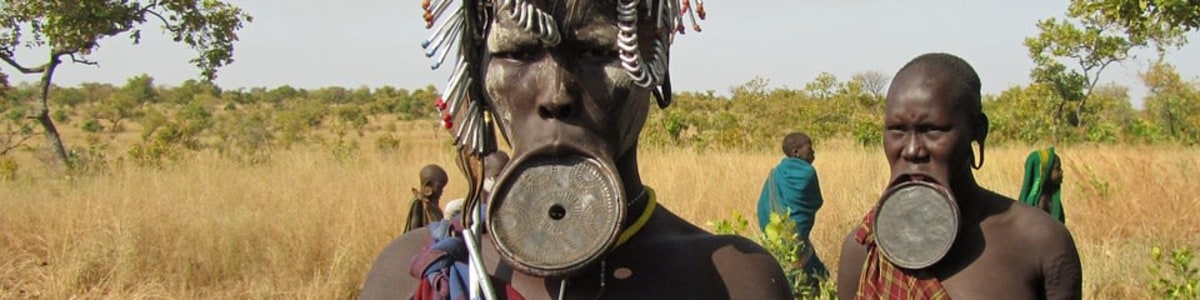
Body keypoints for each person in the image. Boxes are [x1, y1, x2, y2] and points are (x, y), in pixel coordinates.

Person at [360, 1, 792, 299]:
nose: (556, 93)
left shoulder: (732, 281)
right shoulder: (411, 273)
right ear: (475, 73)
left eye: (596, 51)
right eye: (519, 53)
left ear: (656, 61)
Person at [836, 53, 1082, 299]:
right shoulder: (865, 250)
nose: (912, 150)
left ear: (977, 129)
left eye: (932, 130)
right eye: (897, 130)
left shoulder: (1039, 241)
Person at [756, 132, 828, 285]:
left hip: (774, 233)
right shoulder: (808, 172)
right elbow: (816, 202)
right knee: (816, 275)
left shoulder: (776, 172)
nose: (813, 151)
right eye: (810, 147)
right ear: (796, 152)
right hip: (797, 235)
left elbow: (762, 205)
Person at [1018, 147, 1065, 224]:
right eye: (1057, 168)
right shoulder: (1043, 201)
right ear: (1045, 172)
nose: (1061, 172)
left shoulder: (1049, 196)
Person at [403, 164, 449, 233]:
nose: (442, 191)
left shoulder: (430, 205)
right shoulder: (418, 203)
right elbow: (414, 230)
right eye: (439, 187)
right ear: (428, 185)